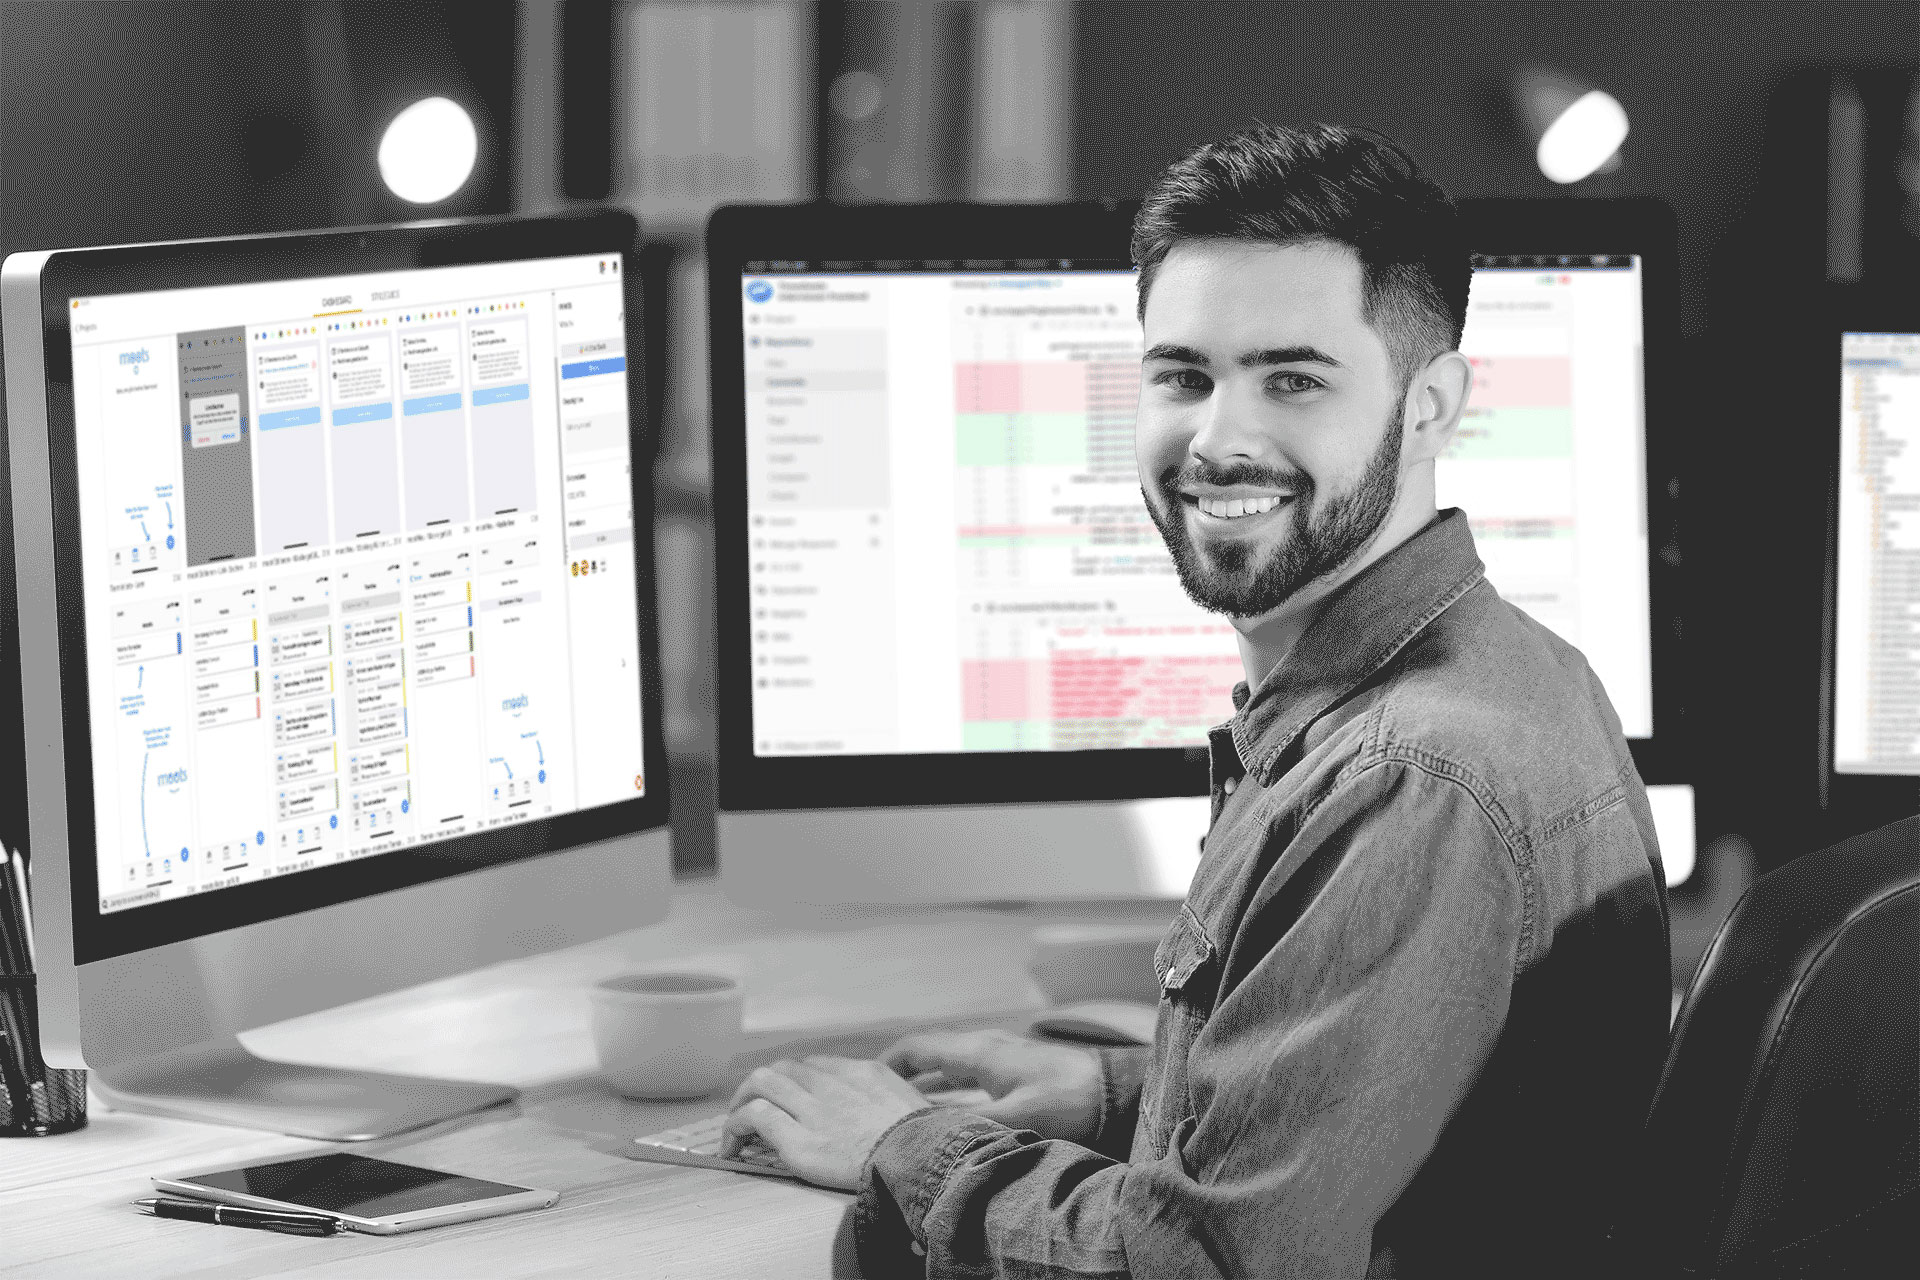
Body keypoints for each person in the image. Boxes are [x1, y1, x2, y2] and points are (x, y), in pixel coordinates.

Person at [718, 123, 1673, 1278]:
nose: (1220, 439)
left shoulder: (1410, 780)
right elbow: (1382, 1122)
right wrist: (1116, 1092)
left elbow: (1205, 1265)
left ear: (1432, 406)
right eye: (1183, 375)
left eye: (1293, 379)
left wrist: (904, 1143)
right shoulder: (1508, 663)